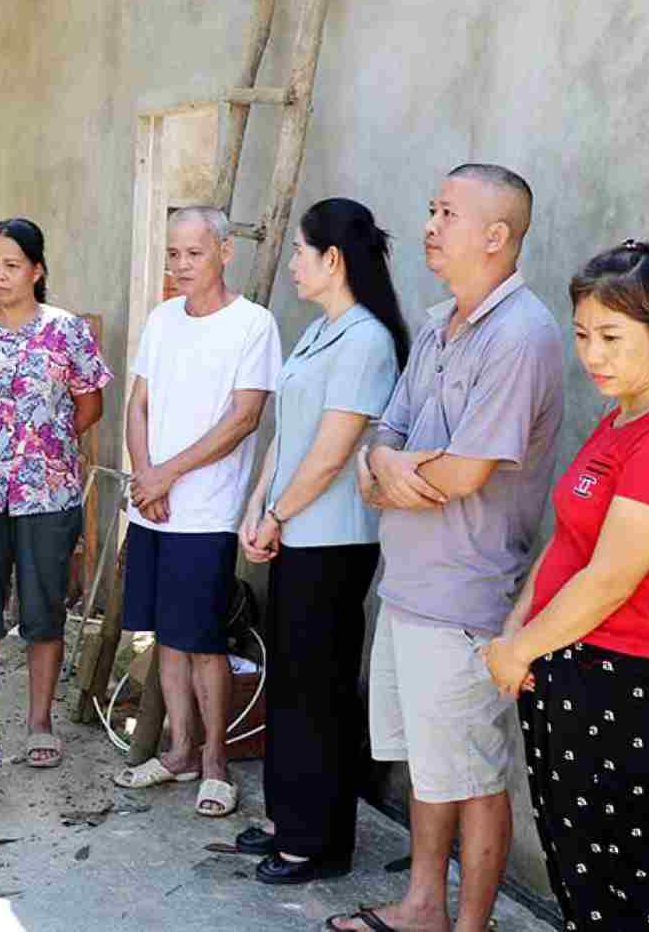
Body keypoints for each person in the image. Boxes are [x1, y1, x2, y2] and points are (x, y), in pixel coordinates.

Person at [326, 163, 566, 932]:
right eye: (430, 208)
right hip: (408, 584)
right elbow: (383, 440)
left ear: (496, 236)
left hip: (466, 595)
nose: (430, 224)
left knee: (472, 773)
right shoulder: (436, 323)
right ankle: (423, 905)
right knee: (431, 767)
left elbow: (466, 471)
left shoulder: (521, 335)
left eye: (448, 213)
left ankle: (469, 925)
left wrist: (392, 468)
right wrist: (389, 467)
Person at [481, 241, 649, 932]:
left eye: (613, 337)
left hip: (615, 679)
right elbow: (567, 540)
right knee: (578, 873)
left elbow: (611, 578)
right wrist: (517, 638)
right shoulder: (620, 419)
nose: (593, 355)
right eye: (584, 334)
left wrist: (521, 646)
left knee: (617, 887)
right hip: (563, 665)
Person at [235, 199, 410, 885]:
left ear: (332, 259)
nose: (296, 266)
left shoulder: (366, 338)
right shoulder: (319, 332)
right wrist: (258, 504)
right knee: (292, 682)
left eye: (303, 253)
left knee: (319, 689)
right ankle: (289, 819)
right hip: (294, 531)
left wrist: (277, 513)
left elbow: (335, 448)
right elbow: (288, 432)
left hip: (332, 541)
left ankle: (319, 842)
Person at [112, 205, 282, 819]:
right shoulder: (162, 319)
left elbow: (243, 419)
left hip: (205, 511)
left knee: (204, 638)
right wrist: (143, 476)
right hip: (152, 504)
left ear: (224, 253)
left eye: (194, 253)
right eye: (174, 254)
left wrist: (166, 474)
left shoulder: (253, 325)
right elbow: (138, 404)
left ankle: (216, 762)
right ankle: (180, 751)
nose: (181, 266)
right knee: (168, 635)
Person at [0, 218, 111, 769]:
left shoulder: (67, 332)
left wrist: (44, 447)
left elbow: (90, 405)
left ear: (37, 270)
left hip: (47, 495)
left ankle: (40, 724)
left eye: (12, 265)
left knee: (43, 609)